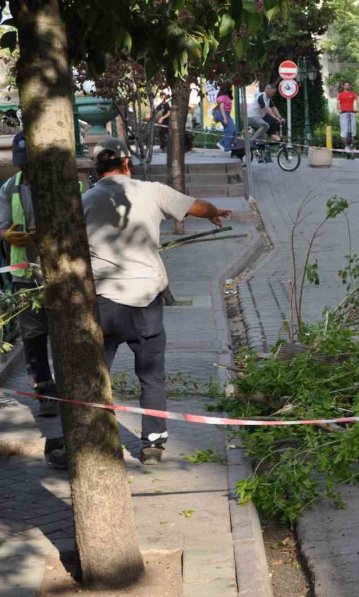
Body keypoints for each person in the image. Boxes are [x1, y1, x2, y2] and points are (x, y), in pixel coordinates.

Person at [82, 138, 232, 463]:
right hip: (146, 301)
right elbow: (197, 206)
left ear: (96, 169)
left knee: (97, 374)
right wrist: (214, 213)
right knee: (151, 376)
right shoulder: (151, 191)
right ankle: (153, 443)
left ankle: (93, 440)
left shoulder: (85, 200)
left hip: (104, 302)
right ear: (126, 163)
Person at [0, 133, 57, 417]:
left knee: (64, 333)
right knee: (34, 335)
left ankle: (72, 389)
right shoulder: (10, 187)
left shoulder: (63, 185)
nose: (24, 169)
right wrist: (8, 235)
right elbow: (3, 226)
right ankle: (45, 391)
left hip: (59, 272)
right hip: (25, 274)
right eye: (21, 164)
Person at [337, 81, 359, 159]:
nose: (347, 86)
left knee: (353, 131)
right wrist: (338, 110)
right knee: (343, 131)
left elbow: (357, 102)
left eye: (348, 85)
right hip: (343, 113)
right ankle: (346, 146)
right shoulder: (340, 94)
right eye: (345, 85)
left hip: (351, 113)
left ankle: (352, 146)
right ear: (343, 86)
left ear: (350, 86)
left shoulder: (353, 94)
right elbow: (338, 103)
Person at [214, 83, 235, 152]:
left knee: (233, 130)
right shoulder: (222, 96)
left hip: (227, 114)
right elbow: (221, 107)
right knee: (230, 130)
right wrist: (225, 118)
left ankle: (222, 143)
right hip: (222, 113)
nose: (230, 89)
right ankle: (225, 146)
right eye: (229, 87)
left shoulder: (226, 96)